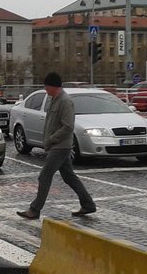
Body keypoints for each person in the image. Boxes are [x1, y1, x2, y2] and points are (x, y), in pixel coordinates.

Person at [17, 72, 96, 220]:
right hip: (57, 145)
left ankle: (34, 210)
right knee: (69, 177)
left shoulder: (65, 101)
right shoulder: (55, 99)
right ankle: (88, 204)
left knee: (44, 176)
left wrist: (52, 139)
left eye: (47, 87)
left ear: (53, 86)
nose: (46, 90)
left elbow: (68, 126)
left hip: (60, 146)